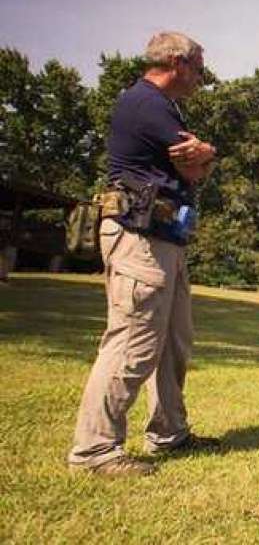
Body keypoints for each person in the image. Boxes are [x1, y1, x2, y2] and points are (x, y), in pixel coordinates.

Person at [67, 31, 219, 477]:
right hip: (139, 235)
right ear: (177, 62)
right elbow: (193, 165)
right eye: (198, 69)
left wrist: (204, 155)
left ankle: (169, 432)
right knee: (132, 340)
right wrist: (208, 152)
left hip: (165, 236)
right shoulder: (146, 103)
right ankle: (94, 450)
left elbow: (194, 167)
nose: (201, 78)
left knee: (174, 341)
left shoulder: (164, 107)